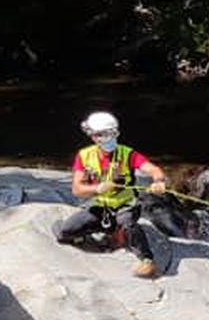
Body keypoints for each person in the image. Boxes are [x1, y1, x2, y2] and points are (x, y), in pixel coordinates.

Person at [55, 111, 170, 278]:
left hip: (126, 205)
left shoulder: (128, 154)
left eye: (111, 133)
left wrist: (158, 181)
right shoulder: (84, 156)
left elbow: (152, 169)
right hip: (100, 206)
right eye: (102, 134)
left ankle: (147, 259)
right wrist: (98, 188)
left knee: (127, 224)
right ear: (93, 136)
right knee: (66, 232)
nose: (108, 138)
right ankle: (105, 232)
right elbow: (76, 189)